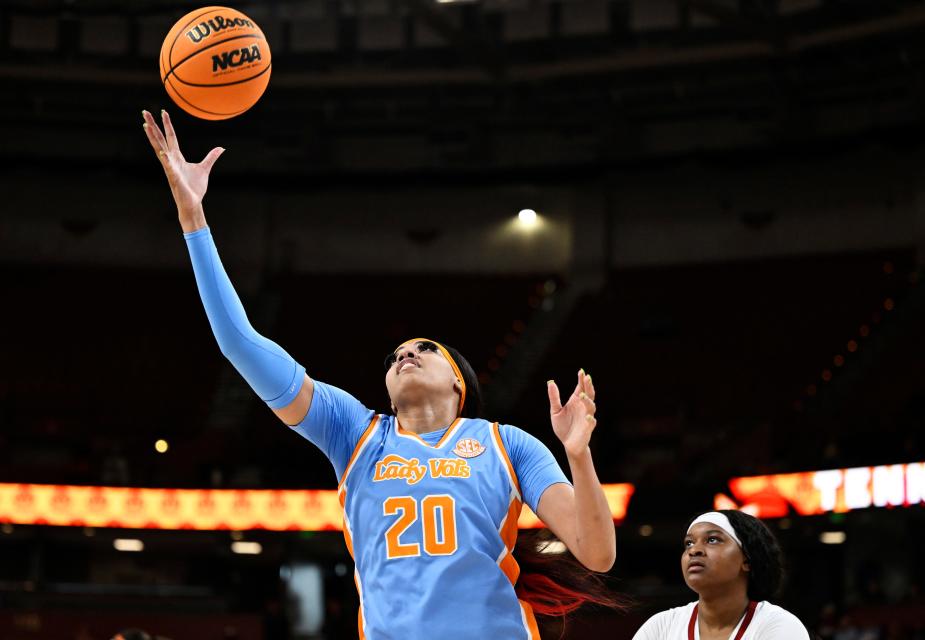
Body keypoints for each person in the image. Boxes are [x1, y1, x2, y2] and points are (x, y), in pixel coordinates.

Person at [141, 110, 618, 640]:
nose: (404, 356)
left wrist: (579, 455)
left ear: (459, 381)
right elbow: (240, 342)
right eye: (394, 357)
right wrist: (193, 218)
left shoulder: (509, 446)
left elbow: (597, 555)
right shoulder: (354, 432)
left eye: (423, 349)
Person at [633, 510, 808, 640]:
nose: (694, 550)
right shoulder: (661, 626)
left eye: (712, 540)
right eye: (689, 543)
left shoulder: (778, 626)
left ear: (747, 560)